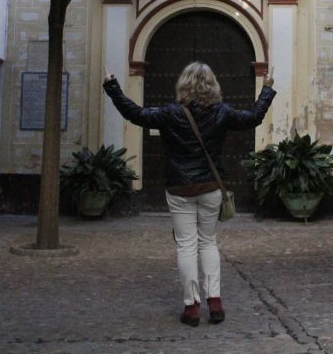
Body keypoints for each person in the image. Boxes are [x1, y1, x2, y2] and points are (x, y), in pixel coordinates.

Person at [103, 61, 275, 326]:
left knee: (186, 244)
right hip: (211, 187)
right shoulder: (222, 112)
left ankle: (191, 306)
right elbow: (253, 118)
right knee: (208, 242)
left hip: (180, 187)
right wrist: (266, 89)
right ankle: (215, 300)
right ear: (213, 85)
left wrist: (112, 86)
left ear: (183, 84)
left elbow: (135, 114)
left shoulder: (170, 113)